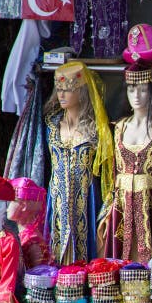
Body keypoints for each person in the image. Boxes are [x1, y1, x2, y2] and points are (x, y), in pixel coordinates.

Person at [98, 63, 152, 263]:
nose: (136, 95)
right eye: (131, 89)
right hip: (122, 207)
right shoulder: (118, 128)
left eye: (143, 90)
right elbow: (113, 174)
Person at [44, 61, 113, 264]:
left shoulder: (97, 130)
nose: (62, 95)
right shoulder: (51, 126)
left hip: (87, 198)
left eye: (68, 90)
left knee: (87, 250)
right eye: (59, 90)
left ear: (81, 91)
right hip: (56, 200)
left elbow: (108, 171)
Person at [7, 177, 50, 268]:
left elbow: (39, 274)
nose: (6, 206)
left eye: (10, 201)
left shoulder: (32, 240)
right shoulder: (21, 233)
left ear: (23, 206)